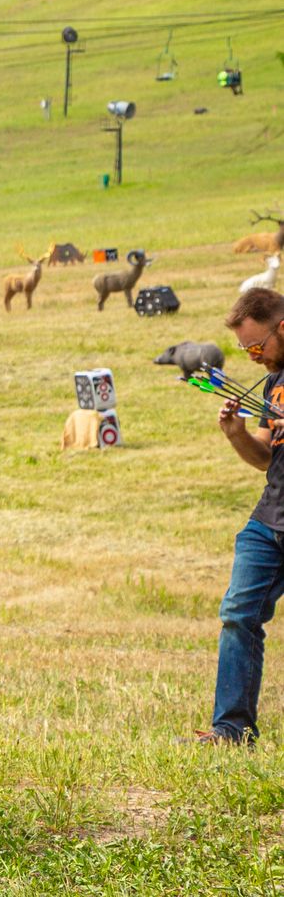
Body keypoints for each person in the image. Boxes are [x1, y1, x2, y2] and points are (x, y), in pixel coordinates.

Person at [193, 287, 284, 744]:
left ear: (282, 327)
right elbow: (267, 457)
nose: (251, 357)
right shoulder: (274, 380)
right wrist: (236, 434)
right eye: (244, 349)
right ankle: (231, 729)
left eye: (256, 346)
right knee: (238, 613)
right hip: (271, 520)